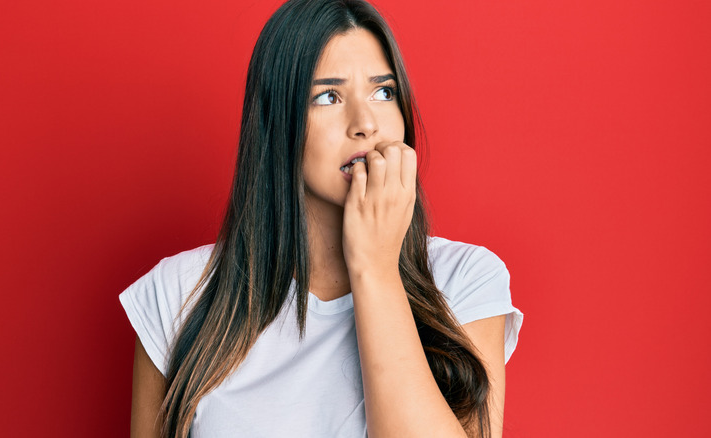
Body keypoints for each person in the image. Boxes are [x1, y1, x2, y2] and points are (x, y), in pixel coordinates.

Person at [119, 0, 523, 437]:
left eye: (383, 91)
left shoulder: (466, 281)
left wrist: (375, 267)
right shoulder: (177, 294)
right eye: (328, 96)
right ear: (279, 122)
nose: (365, 123)